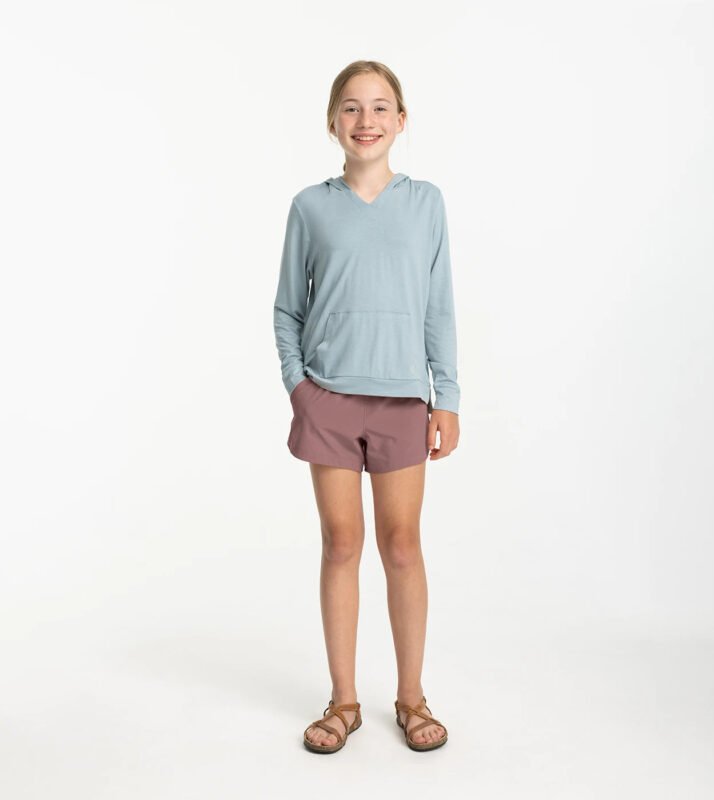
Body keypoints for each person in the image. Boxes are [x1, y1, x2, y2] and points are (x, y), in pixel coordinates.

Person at [273, 60, 461, 753]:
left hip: (403, 401)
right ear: (333, 122)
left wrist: (446, 396)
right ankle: (343, 700)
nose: (366, 120)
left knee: (402, 545)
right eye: (351, 107)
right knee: (341, 543)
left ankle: (411, 698)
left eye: (380, 107)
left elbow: (438, 306)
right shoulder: (310, 207)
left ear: (401, 121)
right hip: (328, 399)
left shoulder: (425, 203)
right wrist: (301, 388)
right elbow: (287, 309)